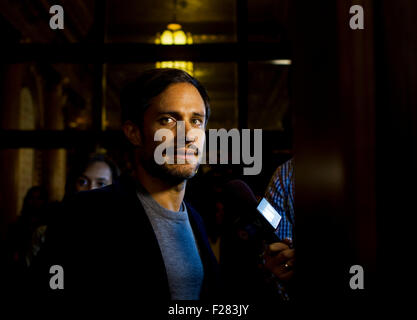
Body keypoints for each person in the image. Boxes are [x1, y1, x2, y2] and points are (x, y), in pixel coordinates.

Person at [34, 68, 220, 304]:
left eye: (196, 121)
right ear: (134, 133)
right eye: (168, 120)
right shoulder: (86, 213)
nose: (187, 134)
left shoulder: (195, 218)